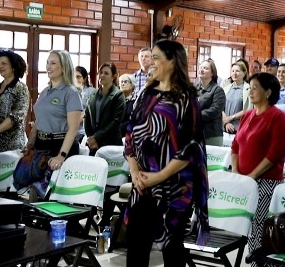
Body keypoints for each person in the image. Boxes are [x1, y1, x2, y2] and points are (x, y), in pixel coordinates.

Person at [124, 40, 209, 267]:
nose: (150, 62)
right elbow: (130, 133)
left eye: (156, 57)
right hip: (142, 183)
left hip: (175, 186)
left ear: (172, 62)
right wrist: (134, 171)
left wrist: (159, 176)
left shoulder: (186, 98)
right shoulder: (146, 93)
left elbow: (192, 147)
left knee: (172, 251)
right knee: (136, 246)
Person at [230, 72, 285, 263]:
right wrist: (236, 172)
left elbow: (274, 154)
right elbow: (235, 146)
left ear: (268, 92)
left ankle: (259, 263)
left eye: (256, 88)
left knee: (259, 227)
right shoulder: (248, 115)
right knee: (248, 227)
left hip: (266, 182)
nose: (251, 91)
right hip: (245, 182)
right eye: (250, 87)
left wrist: (252, 176)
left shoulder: (277, 117)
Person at [25, 50, 83, 199]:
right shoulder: (45, 91)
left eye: (53, 63)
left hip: (60, 144)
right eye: (47, 62)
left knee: (56, 197)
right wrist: (30, 145)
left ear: (63, 67)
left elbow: (73, 128)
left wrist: (61, 156)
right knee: (37, 193)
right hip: (41, 145)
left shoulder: (71, 93)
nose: (48, 67)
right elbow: (39, 121)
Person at [0, 49, 30, 158]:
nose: (0, 66)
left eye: (4, 63)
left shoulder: (21, 88)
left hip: (11, 145)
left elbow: (17, 116)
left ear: (13, 66)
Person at [84, 62, 125, 156]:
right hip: (93, 143)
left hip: (110, 142)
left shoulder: (118, 95)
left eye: (106, 73)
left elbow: (116, 121)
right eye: (100, 72)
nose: (102, 75)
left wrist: (96, 137)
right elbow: (86, 116)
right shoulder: (93, 94)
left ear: (113, 76)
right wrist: (91, 137)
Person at [197, 59, 226, 146]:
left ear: (212, 73)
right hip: (196, 134)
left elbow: (215, 111)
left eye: (205, 68)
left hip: (212, 135)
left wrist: (195, 115)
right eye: (200, 67)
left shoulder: (217, 90)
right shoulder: (194, 89)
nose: (201, 70)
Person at [222, 61, 251, 133]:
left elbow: (248, 110)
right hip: (224, 127)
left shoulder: (249, 89)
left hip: (240, 129)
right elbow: (220, 108)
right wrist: (226, 122)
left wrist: (231, 118)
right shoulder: (226, 88)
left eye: (237, 71)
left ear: (244, 73)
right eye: (232, 71)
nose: (234, 73)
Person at [75, 66, 95, 143]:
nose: (76, 80)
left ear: (85, 78)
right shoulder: (69, 92)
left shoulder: (91, 91)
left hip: (83, 131)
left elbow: (87, 112)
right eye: (74, 77)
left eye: (78, 77)